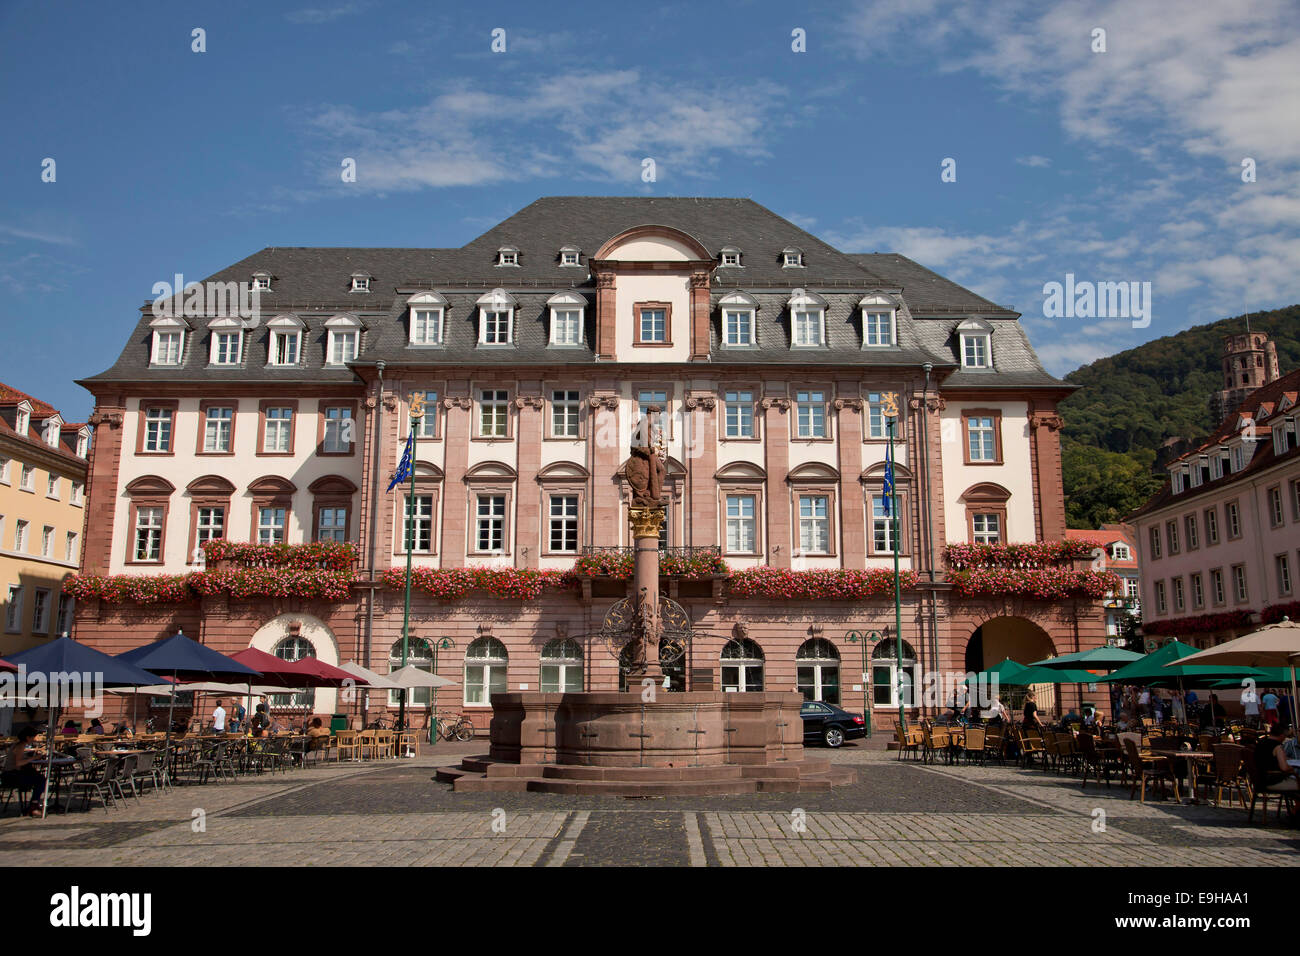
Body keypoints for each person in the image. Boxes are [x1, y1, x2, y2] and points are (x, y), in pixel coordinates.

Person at [1, 726, 47, 817]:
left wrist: (28, 758)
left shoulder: (18, 744)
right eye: (33, 737)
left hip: (10, 774)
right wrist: (33, 758)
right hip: (11, 776)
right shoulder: (20, 746)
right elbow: (18, 763)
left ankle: (33, 805)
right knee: (40, 780)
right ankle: (33, 806)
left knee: (38, 778)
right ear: (28, 737)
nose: (34, 739)